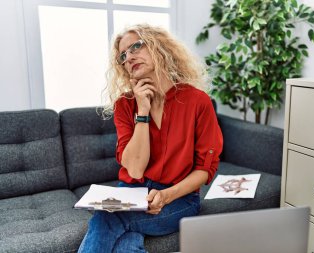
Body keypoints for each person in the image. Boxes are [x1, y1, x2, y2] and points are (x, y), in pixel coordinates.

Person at [78, 23, 223, 253]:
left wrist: (166, 196)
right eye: (123, 56)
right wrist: (142, 113)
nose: (129, 57)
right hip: (132, 191)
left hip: (179, 198)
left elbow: (205, 169)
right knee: (126, 242)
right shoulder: (125, 106)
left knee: (107, 218)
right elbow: (135, 170)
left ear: (158, 46)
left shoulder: (198, 102)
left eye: (136, 46)